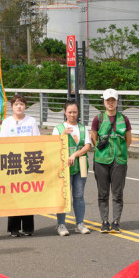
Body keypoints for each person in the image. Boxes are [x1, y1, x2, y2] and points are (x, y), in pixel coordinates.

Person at [90, 88, 132, 234]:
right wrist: (100, 150)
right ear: (104, 101)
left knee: (117, 192)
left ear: (117, 102)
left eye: (113, 100)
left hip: (119, 160)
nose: (110, 103)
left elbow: (129, 140)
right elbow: (93, 137)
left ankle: (115, 222)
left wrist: (120, 151)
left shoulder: (124, 119)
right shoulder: (98, 118)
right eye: (108, 100)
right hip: (101, 160)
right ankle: (104, 221)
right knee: (103, 193)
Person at [0, 94, 40, 237]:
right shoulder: (7, 122)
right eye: (16, 104)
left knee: (28, 194)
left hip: (28, 162)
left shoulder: (31, 121)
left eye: (22, 104)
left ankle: (28, 228)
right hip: (12, 163)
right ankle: (14, 228)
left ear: (25, 106)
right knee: (14, 195)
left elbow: (37, 142)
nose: (19, 106)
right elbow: (2, 144)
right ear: (12, 107)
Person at [51, 100, 92, 236]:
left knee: (79, 195)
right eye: (69, 112)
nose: (72, 115)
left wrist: (75, 154)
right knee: (64, 195)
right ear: (65, 112)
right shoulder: (58, 128)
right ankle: (61, 224)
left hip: (80, 166)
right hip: (64, 167)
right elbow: (52, 146)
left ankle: (80, 223)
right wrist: (63, 134)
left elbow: (87, 145)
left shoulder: (82, 128)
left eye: (75, 112)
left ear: (78, 112)